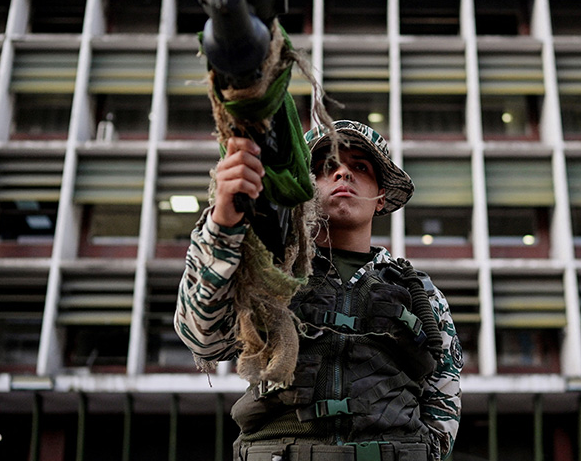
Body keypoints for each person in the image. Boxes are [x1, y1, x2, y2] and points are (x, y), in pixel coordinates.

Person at [176, 119, 462, 461]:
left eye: (360, 166)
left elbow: (442, 397)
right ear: (305, 188)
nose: (343, 174)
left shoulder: (420, 293)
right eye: (326, 167)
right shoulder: (271, 275)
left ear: (381, 196)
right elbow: (203, 340)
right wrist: (222, 224)